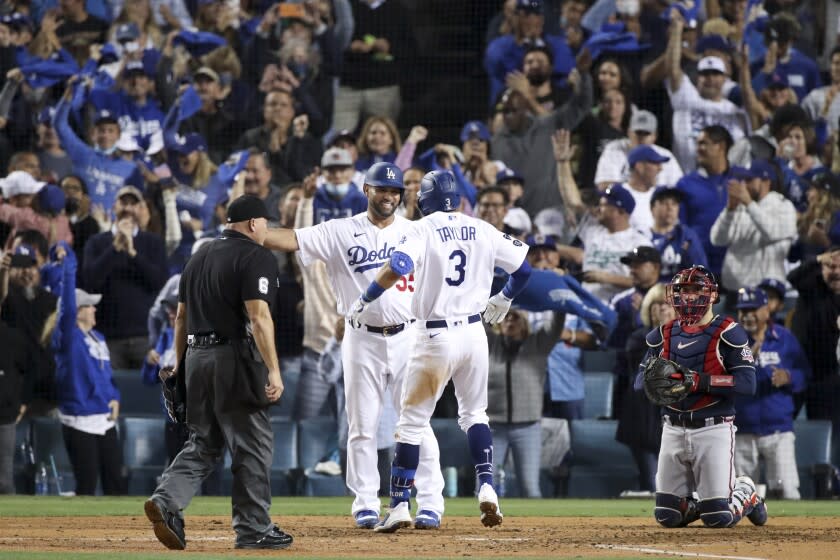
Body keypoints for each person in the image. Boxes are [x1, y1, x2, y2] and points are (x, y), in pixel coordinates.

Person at [261, 163, 446, 529]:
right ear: (366, 190)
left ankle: (430, 502)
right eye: (382, 189)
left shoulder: (416, 231)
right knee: (361, 423)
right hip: (360, 337)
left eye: (395, 191)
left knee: (417, 423)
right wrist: (250, 232)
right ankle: (365, 502)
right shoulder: (341, 230)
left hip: (409, 335)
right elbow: (293, 239)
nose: (389, 196)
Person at [347, 170, 532, 531]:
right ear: (459, 199)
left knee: (411, 425)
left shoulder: (420, 228)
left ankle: (400, 505)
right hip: (475, 334)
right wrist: (505, 297)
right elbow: (524, 269)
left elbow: (398, 266)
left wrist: (366, 297)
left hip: (434, 335)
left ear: (423, 200)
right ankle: (487, 486)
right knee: (475, 415)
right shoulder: (481, 227)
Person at [144, 195, 293, 551]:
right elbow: (258, 317)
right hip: (233, 359)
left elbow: (180, 318)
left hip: (196, 357)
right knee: (252, 445)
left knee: (204, 443)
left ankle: (166, 500)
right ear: (255, 224)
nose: (267, 231)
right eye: (266, 224)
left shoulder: (198, 257)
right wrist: (273, 370)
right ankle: (253, 528)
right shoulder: (256, 255)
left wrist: (181, 368)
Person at [637, 265, 767, 529]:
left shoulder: (728, 332)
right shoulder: (662, 334)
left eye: (695, 290)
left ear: (711, 295)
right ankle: (704, 504)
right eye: (683, 291)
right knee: (666, 515)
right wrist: (657, 382)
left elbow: (746, 383)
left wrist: (698, 381)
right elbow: (639, 381)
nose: (687, 296)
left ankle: (745, 491)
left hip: (714, 427)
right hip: (672, 427)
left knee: (719, 519)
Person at [48, 242, 125, 496]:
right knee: (87, 485)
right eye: (88, 305)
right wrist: (68, 264)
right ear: (77, 311)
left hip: (104, 418)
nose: (94, 308)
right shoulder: (68, 338)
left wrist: (114, 398)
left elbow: (107, 377)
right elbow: (66, 306)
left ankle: (121, 535)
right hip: (79, 419)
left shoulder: (98, 338)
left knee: (116, 481)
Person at [733, 287, 808, 500]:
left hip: (778, 431)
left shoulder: (785, 338)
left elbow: (805, 374)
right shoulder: (730, 341)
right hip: (742, 430)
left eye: (753, 309)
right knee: (742, 495)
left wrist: (789, 377)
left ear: (767, 310)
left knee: (787, 491)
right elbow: (722, 380)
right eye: (743, 310)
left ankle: (796, 534)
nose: (747, 315)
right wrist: (744, 363)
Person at [709, 160, 797, 296]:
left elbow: (772, 232)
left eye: (749, 179)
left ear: (766, 181)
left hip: (765, 291)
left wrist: (749, 204)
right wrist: (730, 211)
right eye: (742, 180)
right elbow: (717, 239)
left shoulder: (784, 206)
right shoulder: (740, 207)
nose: (744, 184)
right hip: (733, 291)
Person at [648, 187, 707, 282]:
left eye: (674, 204)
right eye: (664, 203)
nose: (670, 208)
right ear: (652, 208)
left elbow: (701, 272)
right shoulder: (642, 237)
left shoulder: (686, 235)